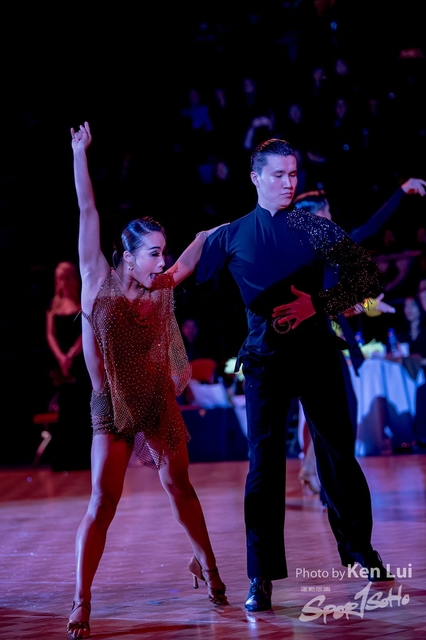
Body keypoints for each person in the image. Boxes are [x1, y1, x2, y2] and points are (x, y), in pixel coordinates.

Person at [196, 138, 395, 613]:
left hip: (317, 356)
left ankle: (362, 552)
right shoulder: (232, 234)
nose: (289, 183)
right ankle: (260, 576)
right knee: (263, 467)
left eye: (293, 174)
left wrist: (317, 304)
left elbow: (367, 277)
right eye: (279, 175)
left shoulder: (313, 226)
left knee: (338, 456)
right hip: (264, 362)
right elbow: (193, 283)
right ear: (255, 178)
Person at [66, 122, 228, 640]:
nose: (163, 261)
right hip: (110, 406)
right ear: (129, 255)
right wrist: (80, 153)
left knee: (179, 485)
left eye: (164, 251)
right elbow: (87, 210)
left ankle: (209, 567)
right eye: (153, 252)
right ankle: (81, 600)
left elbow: (194, 251)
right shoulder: (96, 280)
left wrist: (225, 228)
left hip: (156, 399)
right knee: (102, 502)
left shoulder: (160, 285)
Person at [293, 177, 426, 500]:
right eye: (327, 211)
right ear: (317, 215)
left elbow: (334, 301)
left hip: (324, 341)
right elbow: (370, 228)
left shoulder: (316, 252)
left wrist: (367, 306)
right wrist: (401, 192)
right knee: (337, 415)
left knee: (332, 415)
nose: (332, 217)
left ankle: (318, 477)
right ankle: (329, 485)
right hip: (317, 344)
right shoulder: (318, 251)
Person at [45, 261, 92, 471]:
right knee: (65, 408)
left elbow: (86, 330)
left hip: (79, 359)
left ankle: (83, 458)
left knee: (81, 406)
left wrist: (72, 353)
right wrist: (61, 357)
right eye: (58, 279)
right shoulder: (54, 305)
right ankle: (64, 459)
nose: (62, 283)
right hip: (61, 361)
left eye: (65, 278)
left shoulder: (81, 303)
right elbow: (50, 334)